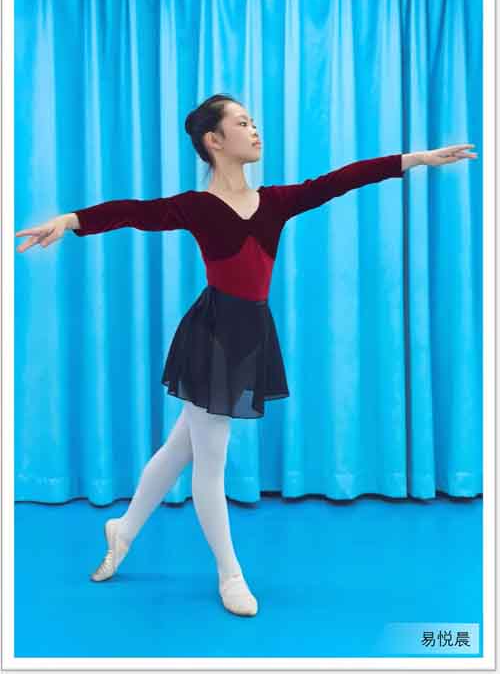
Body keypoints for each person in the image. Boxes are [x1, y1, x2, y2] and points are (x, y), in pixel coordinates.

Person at [15, 93, 478, 616]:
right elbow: (133, 212)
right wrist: (71, 219)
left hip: (251, 334)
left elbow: (339, 180)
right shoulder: (196, 207)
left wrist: (415, 159)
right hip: (212, 337)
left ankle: (122, 530)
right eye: (242, 122)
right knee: (210, 462)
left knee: (181, 448)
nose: (255, 129)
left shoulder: (275, 202)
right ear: (214, 140)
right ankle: (230, 573)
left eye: (253, 121)